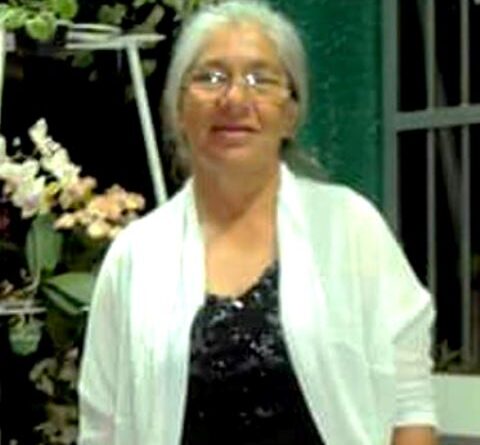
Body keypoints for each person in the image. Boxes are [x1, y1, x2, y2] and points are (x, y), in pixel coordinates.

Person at [78, 1, 438, 444]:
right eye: (211, 77)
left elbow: (410, 405)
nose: (234, 99)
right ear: (178, 108)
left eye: (260, 79)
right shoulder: (136, 256)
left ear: (290, 113)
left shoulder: (349, 229)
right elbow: (102, 427)